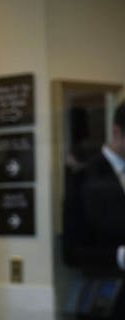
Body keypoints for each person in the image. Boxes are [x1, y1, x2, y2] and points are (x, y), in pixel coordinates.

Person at [63, 101, 125, 319]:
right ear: (116, 132)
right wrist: (119, 256)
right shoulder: (83, 177)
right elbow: (71, 252)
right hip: (105, 300)